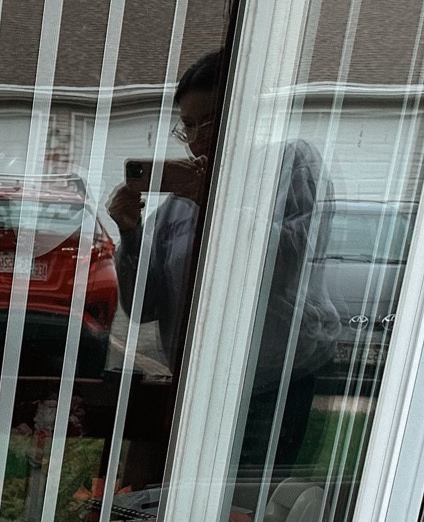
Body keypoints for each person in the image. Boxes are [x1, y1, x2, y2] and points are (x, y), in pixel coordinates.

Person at [105, 50, 339, 481]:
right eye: (188, 125)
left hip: (272, 382)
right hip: (199, 385)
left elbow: (282, 268)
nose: (195, 138)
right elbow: (144, 308)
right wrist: (130, 232)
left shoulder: (291, 165)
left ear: (243, 112)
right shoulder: (176, 207)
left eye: (207, 121)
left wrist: (212, 200)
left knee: (246, 509)